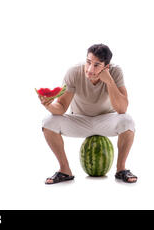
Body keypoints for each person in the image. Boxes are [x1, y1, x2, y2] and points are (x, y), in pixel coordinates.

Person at [39, 44, 137, 184]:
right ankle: (65, 170)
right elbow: (61, 107)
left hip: (106, 120)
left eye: (97, 65)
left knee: (128, 121)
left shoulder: (116, 72)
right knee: (48, 122)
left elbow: (122, 109)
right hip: (79, 120)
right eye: (88, 62)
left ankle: (121, 169)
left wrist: (109, 81)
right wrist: (49, 105)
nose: (90, 69)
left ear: (106, 67)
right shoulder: (73, 72)